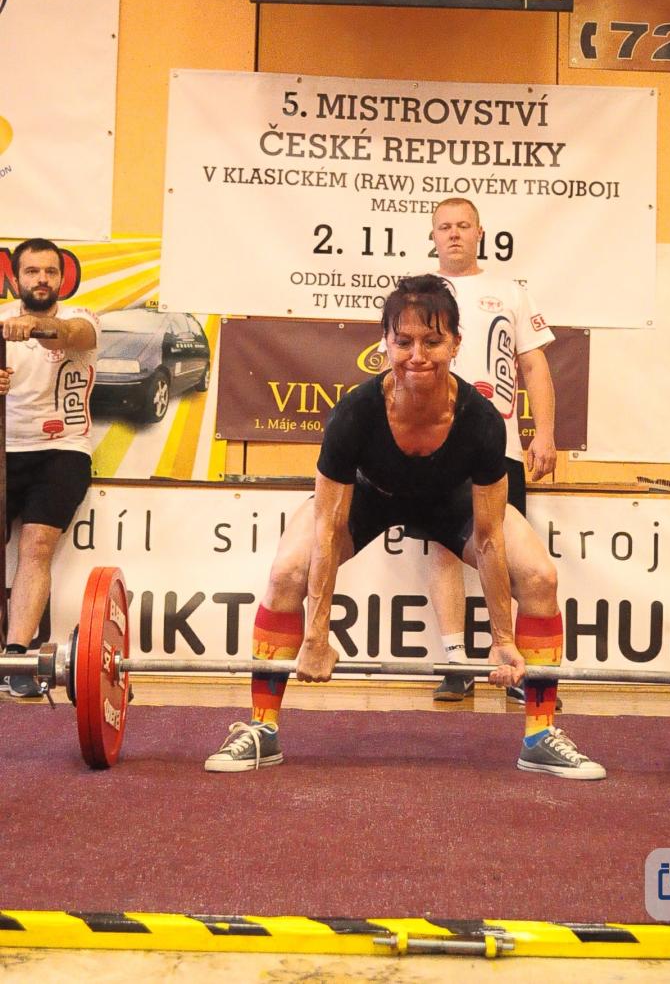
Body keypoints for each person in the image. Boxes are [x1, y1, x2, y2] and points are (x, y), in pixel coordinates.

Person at [205, 274, 604, 780]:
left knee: (540, 577)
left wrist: (503, 637)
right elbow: (327, 528)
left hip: (451, 500)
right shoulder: (355, 414)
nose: (418, 355)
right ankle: (262, 729)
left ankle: (540, 736)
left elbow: (488, 538)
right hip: (371, 496)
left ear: (455, 344)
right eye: (404, 341)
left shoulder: (480, 420)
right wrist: (316, 634)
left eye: (432, 342)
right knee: (286, 572)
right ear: (385, 344)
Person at [427, 198, 557, 705]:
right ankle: (455, 662)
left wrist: (544, 433)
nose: (454, 234)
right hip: (435, 445)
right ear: (433, 236)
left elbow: (534, 366)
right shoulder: (419, 293)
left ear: (480, 233)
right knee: (444, 547)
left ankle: (516, 666)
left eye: (463, 225)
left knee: (503, 550)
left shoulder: (511, 291)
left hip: (499, 445)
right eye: (444, 227)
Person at [0, 238, 99, 697]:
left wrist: (33, 326)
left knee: (37, 545)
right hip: (6, 448)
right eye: (32, 271)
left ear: (63, 279)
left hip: (62, 451)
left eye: (50, 272)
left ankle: (18, 657)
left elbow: (71, 336)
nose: (42, 279)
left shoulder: (84, 319)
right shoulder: (2, 322)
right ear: (15, 278)